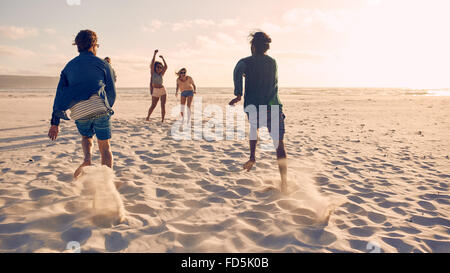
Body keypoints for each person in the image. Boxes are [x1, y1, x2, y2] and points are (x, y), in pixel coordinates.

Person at [48, 29, 116, 178]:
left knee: (86, 137)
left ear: (78, 46)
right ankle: (106, 182)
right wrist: (106, 107)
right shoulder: (103, 64)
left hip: (79, 111)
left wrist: (55, 122)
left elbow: (59, 94)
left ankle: (87, 159)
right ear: (93, 45)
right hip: (99, 107)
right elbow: (111, 92)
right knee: (105, 147)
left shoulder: (68, 67)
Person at [229, 31, 288, 193]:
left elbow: (237, 72)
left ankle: (252, 157)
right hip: (273, 105)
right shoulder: (272, 63)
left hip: (254, 105)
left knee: (253, 130)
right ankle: (284, 182)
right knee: (279, 145)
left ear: (253, 47)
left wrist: (238, 94)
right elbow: (273, 85)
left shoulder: (245, 61)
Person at [146, 49, 168, 123]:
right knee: (153, 105)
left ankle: (162, 120)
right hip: (155, 90)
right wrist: (154, 54)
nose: (159, 68)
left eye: (160, 67)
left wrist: (163, 59)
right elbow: (152, 64)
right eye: (158, 67)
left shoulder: (161, 74)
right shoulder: (153, 73)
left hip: (162, 90)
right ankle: (148, 117)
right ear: (155, 67)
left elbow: (166, 67)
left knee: (163, 105)